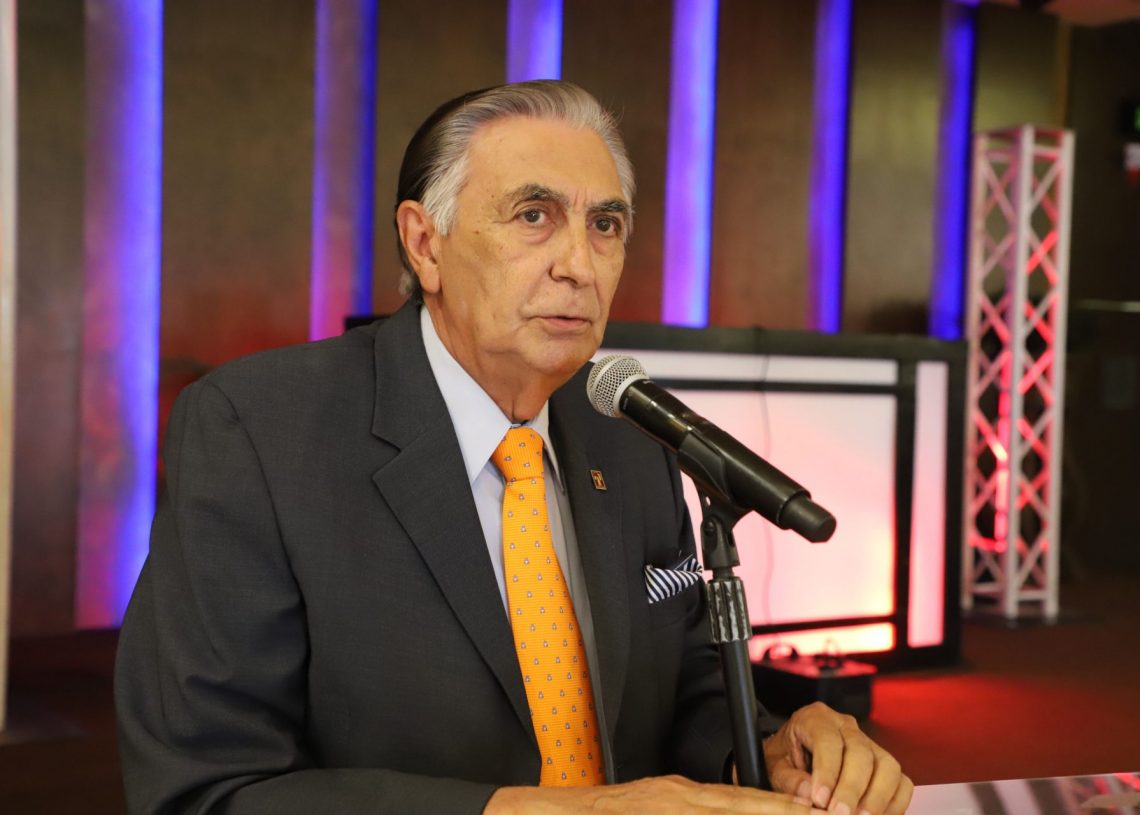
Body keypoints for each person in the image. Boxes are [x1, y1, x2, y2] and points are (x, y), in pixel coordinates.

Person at [115, 80, 912, 815]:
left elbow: (683, 686)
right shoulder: (258, 431)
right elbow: (209, 786)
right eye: (534, 216)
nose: (580, 265)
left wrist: (765, 750)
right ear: (424, 243)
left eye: (605, 225)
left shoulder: (631, 434)